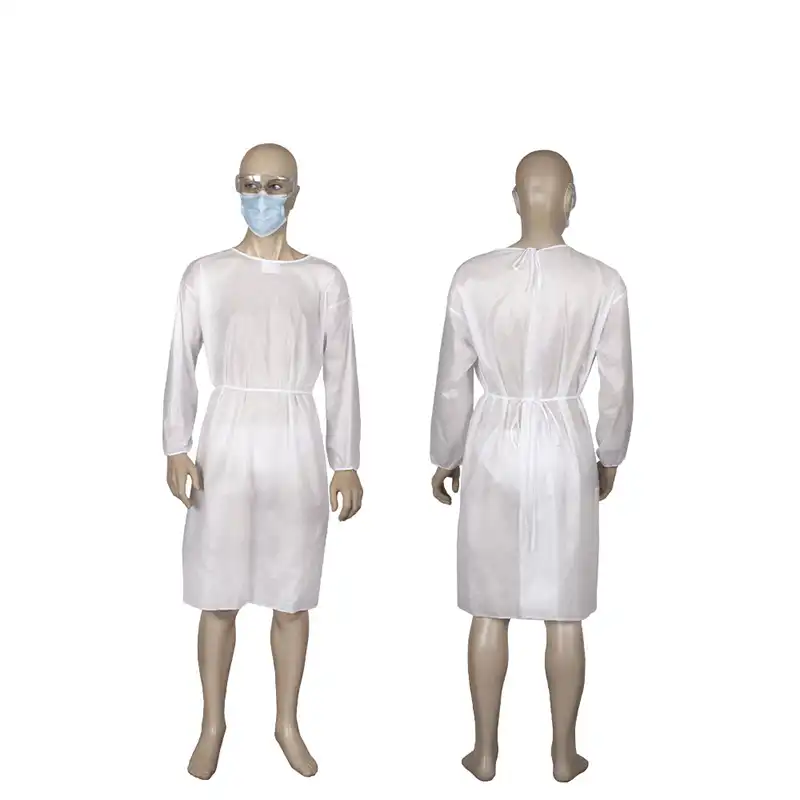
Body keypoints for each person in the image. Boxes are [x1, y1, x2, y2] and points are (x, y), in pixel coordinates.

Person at [430, 149, 633, 783]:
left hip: (492, 439)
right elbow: (617, 385)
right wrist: (609, 453)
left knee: (487, 606)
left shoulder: (472, 278)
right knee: (564, 608)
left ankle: (485, 751)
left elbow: (453, 381)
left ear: (516, 199)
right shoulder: (602, 282)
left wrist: (447, 453)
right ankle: (564, 754)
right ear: (570, 199)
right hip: (564, 440)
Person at [163, 143, 362, 779]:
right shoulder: (206, 274)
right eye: (250, 183)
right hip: (225, 442)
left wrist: (346, 459)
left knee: (291, 594)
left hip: (295, 441)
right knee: (217, 594)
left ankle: (286, 723)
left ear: (295, 193)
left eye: (275, 185)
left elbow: (342, 373)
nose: (261, 196)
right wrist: (175, 444)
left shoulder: (323, 280)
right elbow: (181, 360)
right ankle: (212, 724)